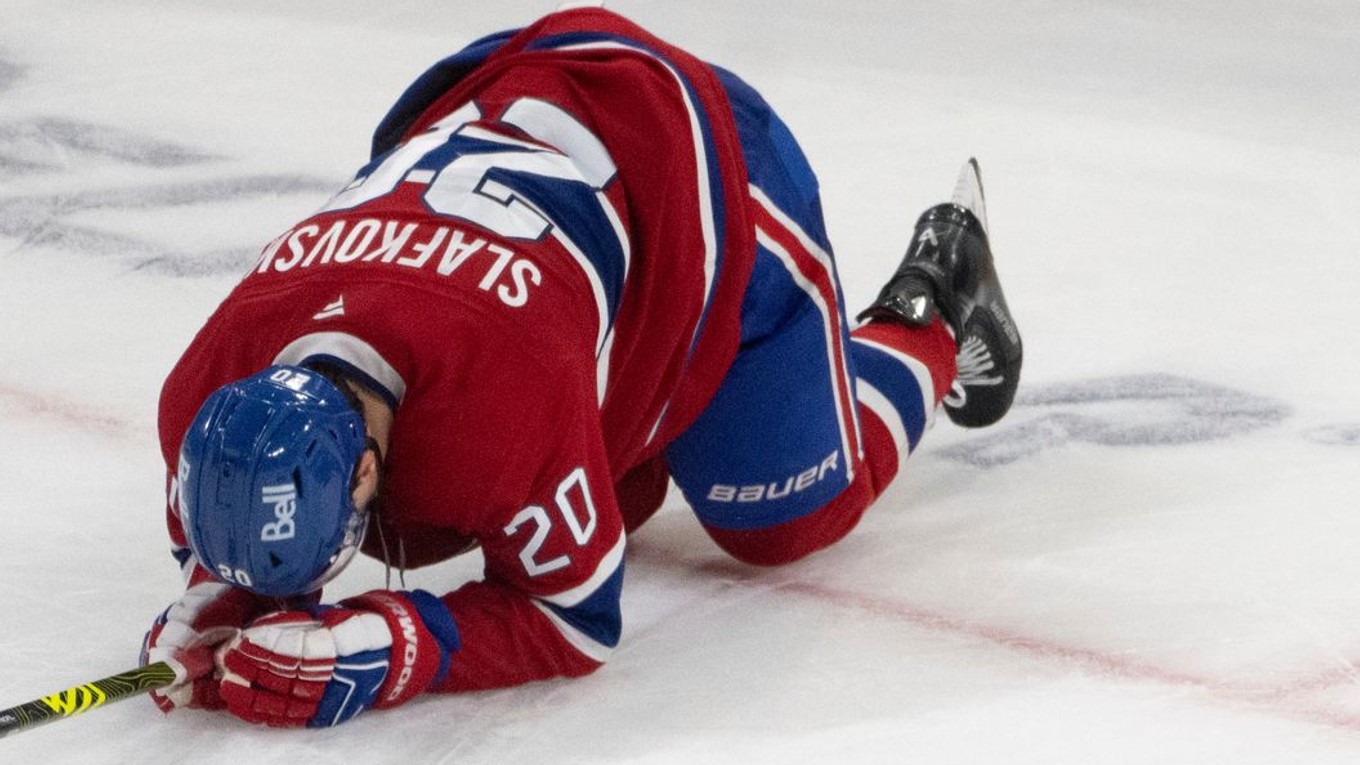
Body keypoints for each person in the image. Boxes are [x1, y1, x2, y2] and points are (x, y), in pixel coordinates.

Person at [141, 3, 1022, 729]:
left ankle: (937, 303)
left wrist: (393, 648)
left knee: (784, 521)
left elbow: (577, 619)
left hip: (703, 165)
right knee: (614, 495)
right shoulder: (198, 393)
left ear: (367, 467)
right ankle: (639, 406)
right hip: (507, 104)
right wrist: (218, 591)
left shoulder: (497, 409)